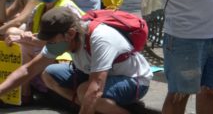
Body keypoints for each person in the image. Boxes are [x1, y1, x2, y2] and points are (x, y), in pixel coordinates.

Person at [0, 6, 152, 113]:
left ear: (70, 34)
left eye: (51, 41)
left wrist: (88, 99)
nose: (49, 45)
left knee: (85, 91)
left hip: (133, 80)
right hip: (95, 76)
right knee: (48, 74)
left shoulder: (100, 38)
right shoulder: (62, 39)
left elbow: (95, 89)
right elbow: (28, 70)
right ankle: (93, 108)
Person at [4, 0, 83, 103]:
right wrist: (25, 35)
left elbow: (58, 42)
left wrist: (23, 38)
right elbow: (30, 31)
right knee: (21, 43)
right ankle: (24, 94)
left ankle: (25, 95)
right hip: (46, 49)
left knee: (24, 46)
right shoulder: (38, 8)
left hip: (67, 54)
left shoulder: (67, 8)